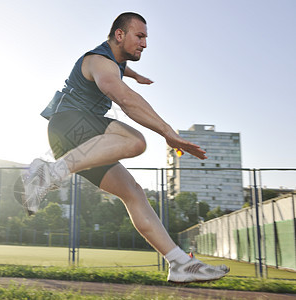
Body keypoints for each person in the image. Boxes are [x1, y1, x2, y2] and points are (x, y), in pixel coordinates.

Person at [21, 12, 229, 283]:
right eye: (139, 36)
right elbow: (124, 99)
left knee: (133, 192)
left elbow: (122, 69)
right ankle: (48, 173)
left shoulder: (115, 63)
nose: (144, 43)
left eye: (146, 38)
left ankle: (179, 264)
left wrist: (135, 74)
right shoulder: (99, 61)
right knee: (134, 141)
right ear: (119, 35)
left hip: (83, 140)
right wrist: (169, 134)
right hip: (69, 124)